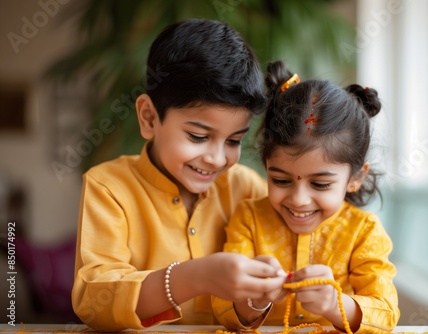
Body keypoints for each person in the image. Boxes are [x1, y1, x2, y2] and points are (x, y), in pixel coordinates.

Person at [72, 19, 287, 332]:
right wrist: (193, 277)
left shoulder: (249, 189)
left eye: (233, 141)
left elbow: (263, 308)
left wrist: (260, 297)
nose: (216, 159)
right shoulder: (109, 186)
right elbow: (95, 300)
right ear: (149, 117)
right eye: (198, 136)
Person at [212, 60, 400, 333]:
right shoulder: (248, 219)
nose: (299, 199)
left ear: (355, 178)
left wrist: (335, 305)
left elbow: (385, 314)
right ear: (266, 168)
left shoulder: (364, 233)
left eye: (321, 184)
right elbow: (222, 308)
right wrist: (254, 299)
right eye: (280, 180)